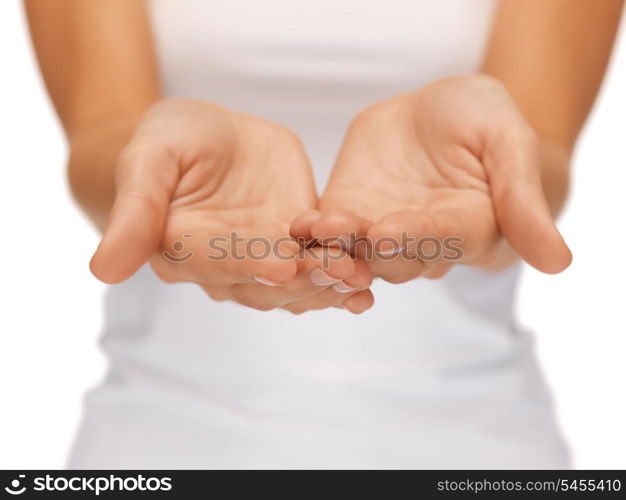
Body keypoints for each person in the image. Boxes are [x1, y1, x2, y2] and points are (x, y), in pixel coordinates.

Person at [25, 0, 622, 468]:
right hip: (153, 439)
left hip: (483, 442)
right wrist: (151, 178)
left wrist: (498, 183)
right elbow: (103, 137)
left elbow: (537, 155)